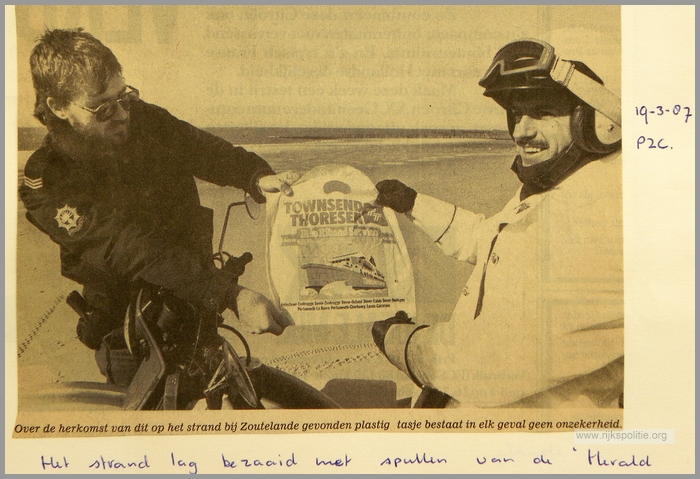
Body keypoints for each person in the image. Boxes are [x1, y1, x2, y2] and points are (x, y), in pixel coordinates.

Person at [19, 28, 299, 385]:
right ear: (58, 107)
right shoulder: (48, 181)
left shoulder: (142, 119)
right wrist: (230, 295)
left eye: (124, 97)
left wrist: (256, 177)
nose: (121, 114)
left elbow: (201, 148)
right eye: (102, 107)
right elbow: (131, 247)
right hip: (134, 341)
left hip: (198, 312)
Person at [372, 39, 624, 408]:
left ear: (600, 120)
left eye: (541, 112)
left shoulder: (601, 217)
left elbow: (492, 365)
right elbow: (492, 241)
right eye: (516, 114)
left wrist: (402, 342)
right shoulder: (562, 188)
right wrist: (413, 203)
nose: (521, 131)